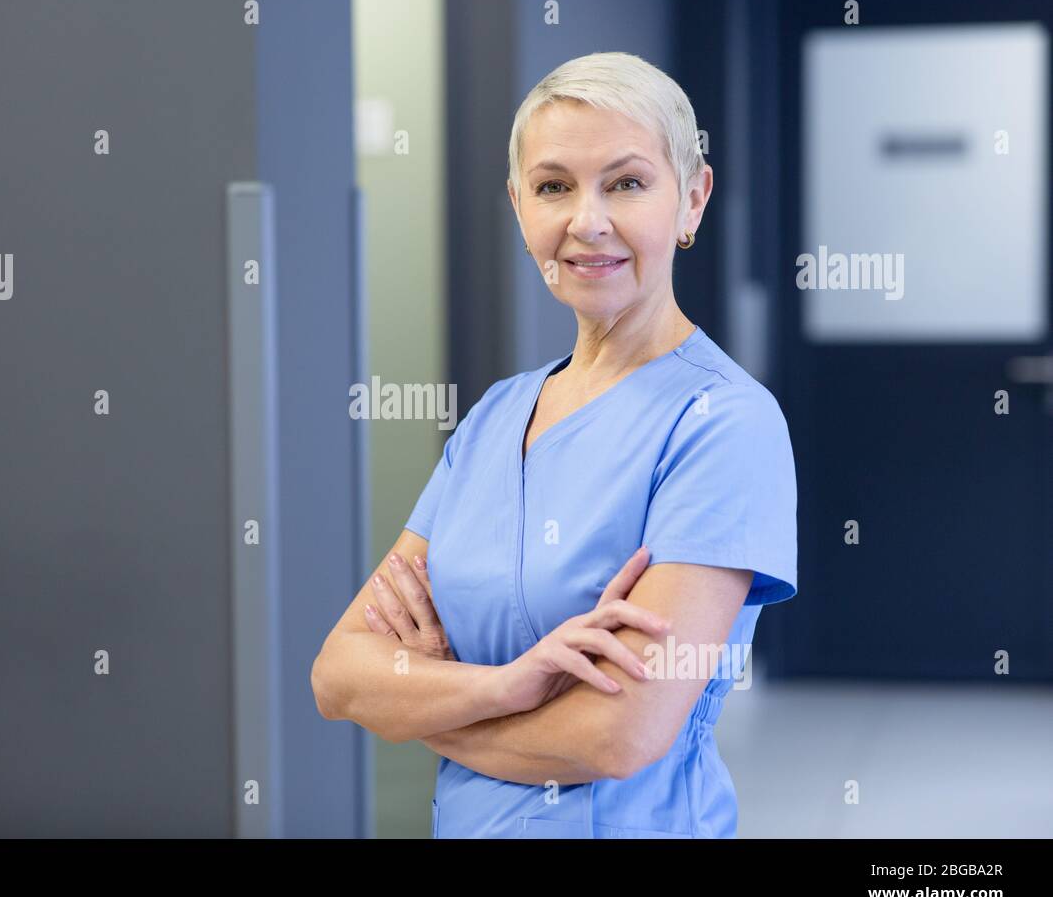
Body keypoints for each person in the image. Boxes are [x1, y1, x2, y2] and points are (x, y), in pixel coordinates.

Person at [311, 51, 797, 838]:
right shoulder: (497, 416)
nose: (587, 220)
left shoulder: (724, 424)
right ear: (518, 206)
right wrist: (512, 686)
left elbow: (619, 736)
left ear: (692, 200)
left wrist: (427, 703)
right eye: (553, 187)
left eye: (627, 183)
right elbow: (338, 675)